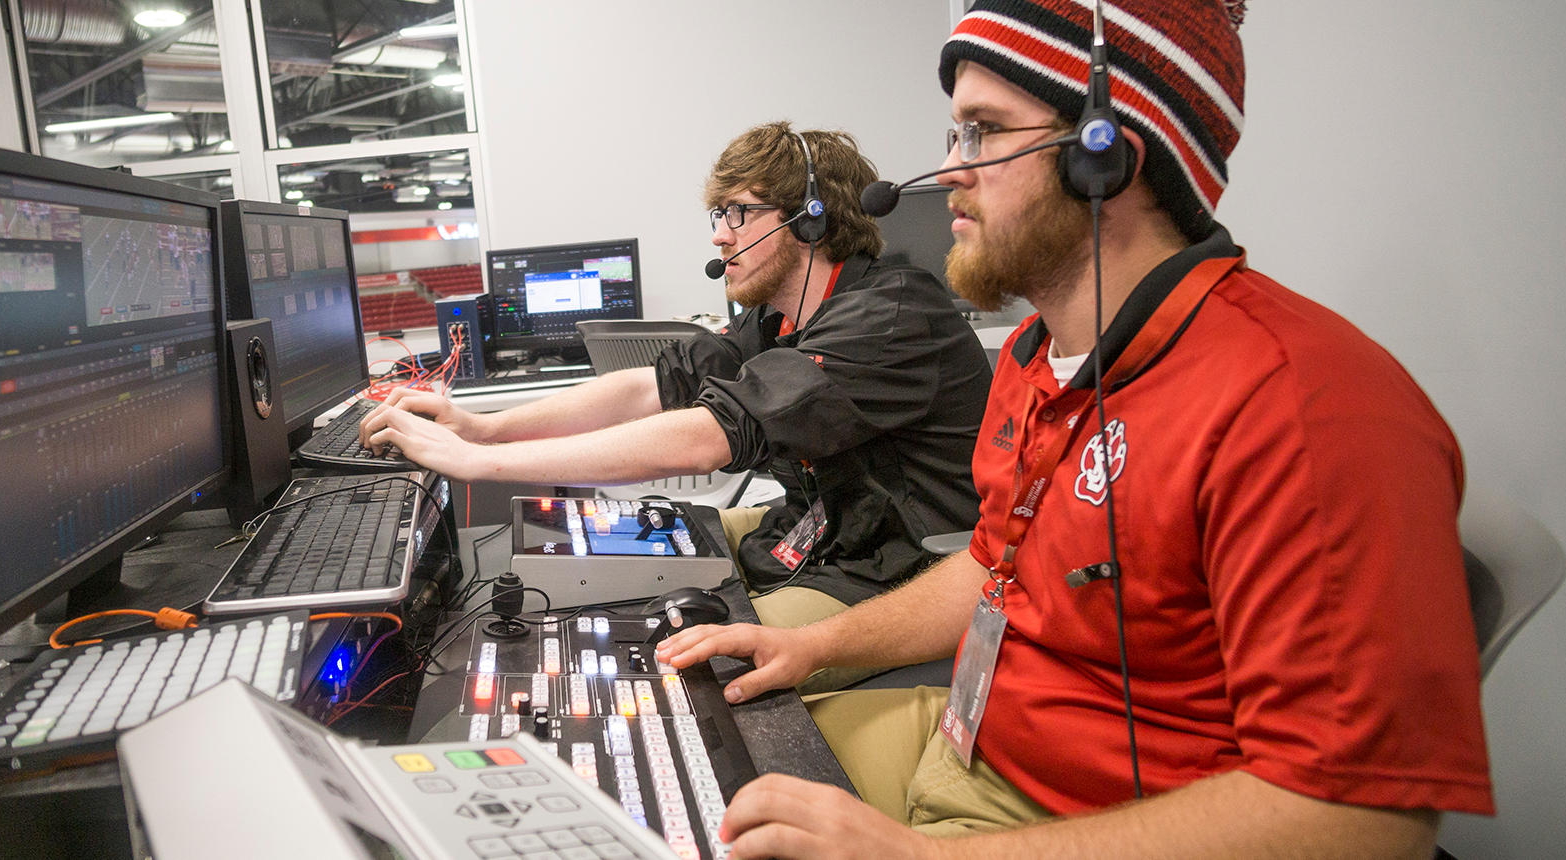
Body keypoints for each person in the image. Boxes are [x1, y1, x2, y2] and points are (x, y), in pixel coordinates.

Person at [655, 1, 1494, 857]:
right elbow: (993, 569)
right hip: (971, 739)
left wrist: (920, 856)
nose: (949, 173)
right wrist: (808, 644)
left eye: (983, 133)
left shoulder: (1305, 406)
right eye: (954, 137)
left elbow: (1363, 821)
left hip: (1077, 820)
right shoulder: (1035, 355)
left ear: (1107, 153)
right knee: (702, 748)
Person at [360, 121, 992, 629]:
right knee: (619, 567)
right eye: (717, 215)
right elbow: (649, 387)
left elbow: (710, 435)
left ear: (810, 218)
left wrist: (480, 465)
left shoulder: (890, 315)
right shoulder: (775, 319)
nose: (720, 236)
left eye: (738, 213)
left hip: (897, 568)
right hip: (824, 533)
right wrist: (481, 428)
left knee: (688, 652)